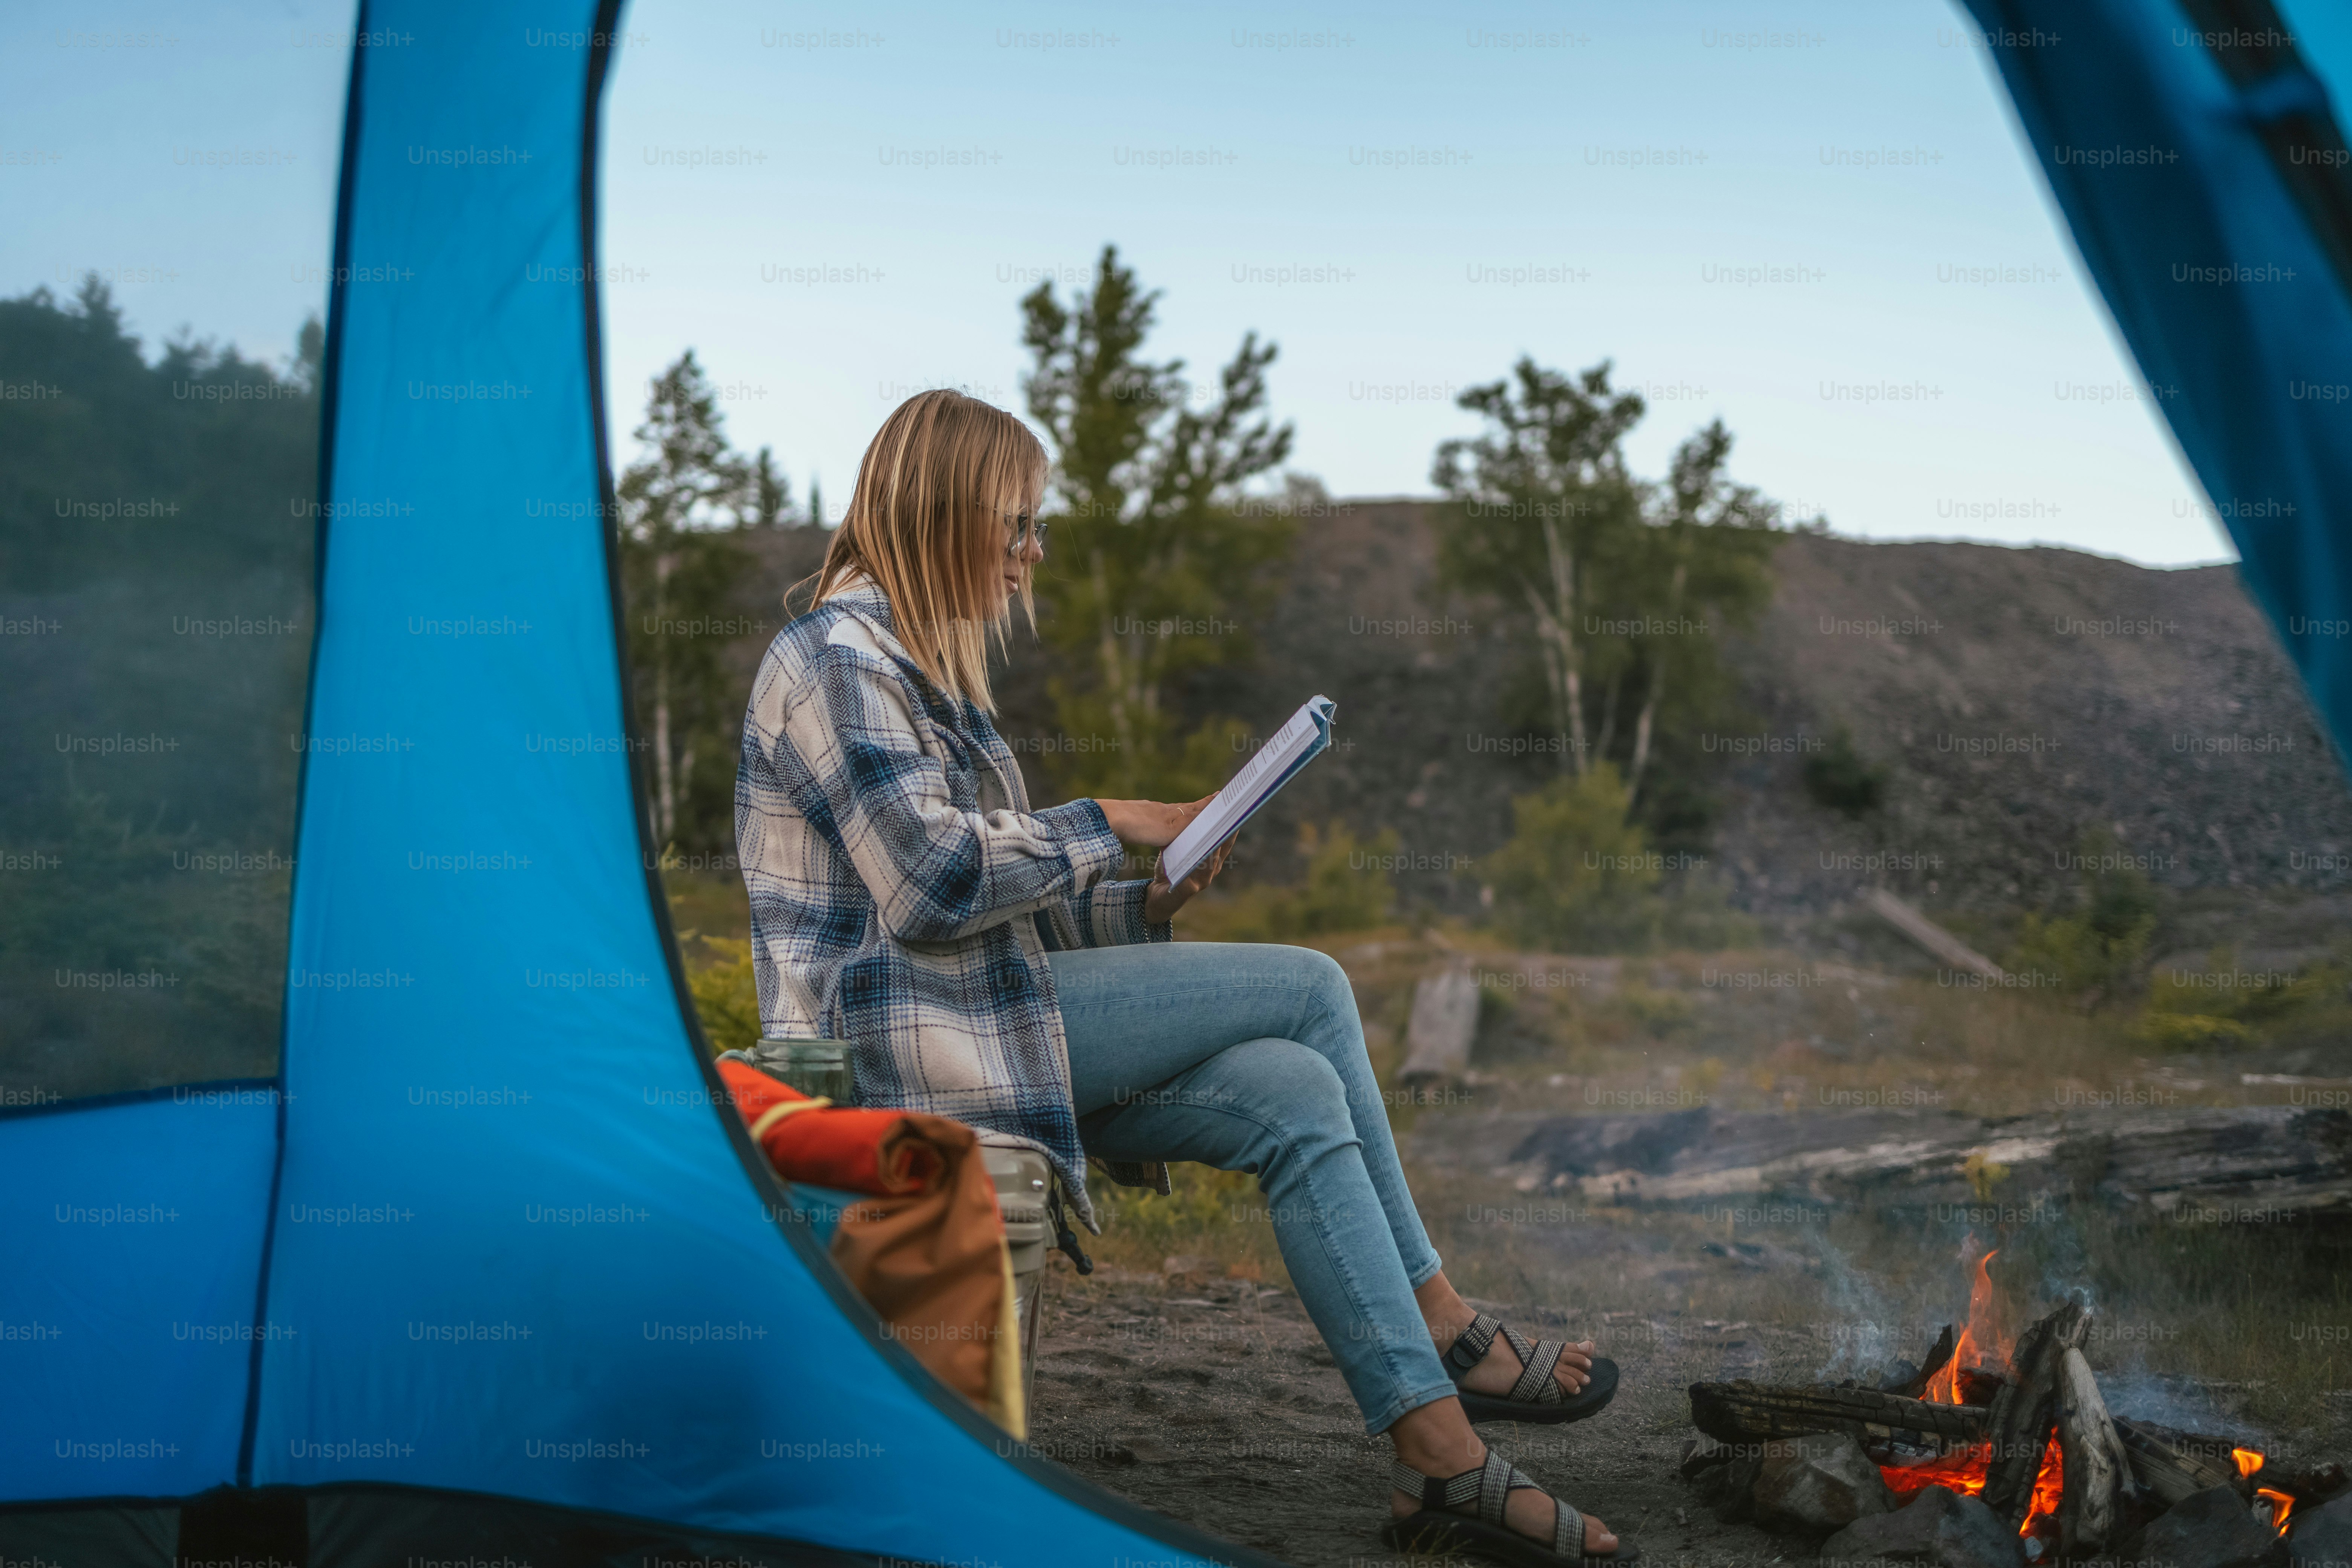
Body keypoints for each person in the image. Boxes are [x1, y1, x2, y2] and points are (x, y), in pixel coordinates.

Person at [735, 388, 1635, 1566]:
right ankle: (1446, 1326)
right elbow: (931, 886)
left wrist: (1142, 900)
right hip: (885, 1058)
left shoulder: (914, 676)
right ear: (946, 516)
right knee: (1312, 988)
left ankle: (1439, 1459)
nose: (1030, 557)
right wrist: (1111, 818)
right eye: (1016, 527)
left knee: (1292, 1090)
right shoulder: (835, 661)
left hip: (980, 1027)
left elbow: (996, 925)